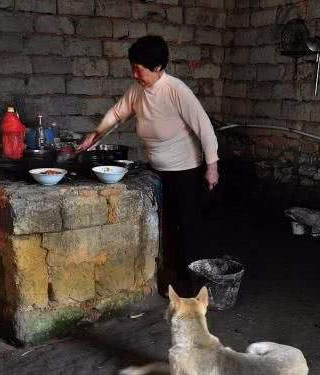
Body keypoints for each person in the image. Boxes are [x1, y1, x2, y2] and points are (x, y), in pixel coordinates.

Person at [77, 35, 219, 295]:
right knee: (166, 228)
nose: (134, 74)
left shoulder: (176, 90)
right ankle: (171, 282)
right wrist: (94, 136)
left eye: (138, 68)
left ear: (157, 68)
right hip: (157, 171)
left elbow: (205, 128)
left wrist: (212, 167)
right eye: (132, 67)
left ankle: (192, 289)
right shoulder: (137, 91)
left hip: (185, 171)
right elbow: (117, 113)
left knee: (186, 228)